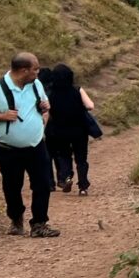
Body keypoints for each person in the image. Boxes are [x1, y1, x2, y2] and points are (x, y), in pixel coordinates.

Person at [0, 52, 60, 238]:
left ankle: (39, 224)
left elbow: (45, 103)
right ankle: (16, 219)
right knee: (12, 186)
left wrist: (45, 113)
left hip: (36, 145)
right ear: (23, 70)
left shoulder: (35, 84)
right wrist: (1, 116)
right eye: (35, 69)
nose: (38, 73)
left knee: (43, 184)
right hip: (8, 149)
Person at [45, 64, 95, 197]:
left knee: (64, 156)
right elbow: (90, 106)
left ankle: (67, 177)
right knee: (81, 159)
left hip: (59, 130)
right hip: (79, 130)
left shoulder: (49, 93)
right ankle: (83, 187)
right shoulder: (77, 90)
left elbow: (46, 113)